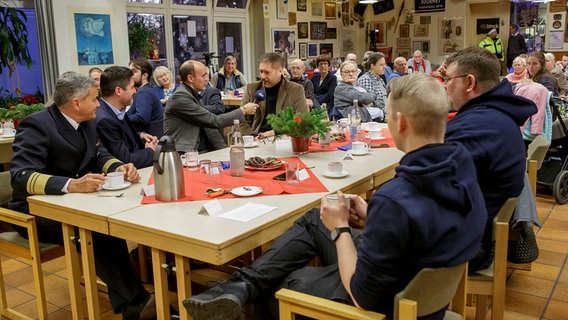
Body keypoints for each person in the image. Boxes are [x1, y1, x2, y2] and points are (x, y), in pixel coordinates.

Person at [182, 73, 486, 320]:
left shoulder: (397, 198)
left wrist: (342, 229)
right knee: (317, 217)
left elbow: (362, 295)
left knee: (280, 284)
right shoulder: (463, 167)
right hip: (418, 286)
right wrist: (372, 220)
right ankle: (240, 286)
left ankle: (247, 288)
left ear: (402, 122)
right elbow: (424, 227)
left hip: (385, 303)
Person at [8, 72, 156, 320]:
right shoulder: (37, 124)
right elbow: (20, 176)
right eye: (95, 99)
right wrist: (71, 185)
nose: (99, 104)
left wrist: (118, 166)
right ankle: (140, 303)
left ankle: (135, 307)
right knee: (92, 231)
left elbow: (99, 155)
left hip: (76, 204)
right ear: (76, 103)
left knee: (108, 229)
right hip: (34, 210)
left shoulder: (88, 122)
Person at [444, 47, 537, 271]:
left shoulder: (474, 127)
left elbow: (437, 190)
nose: (444, 86)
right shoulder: (497, 114)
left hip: (469, 243)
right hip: (481, 229)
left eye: (447, 79)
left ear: (469, 82)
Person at [163, 60, 257, 153]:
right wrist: (243, 110)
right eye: (204, 75)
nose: (207, 79)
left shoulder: (192, 94)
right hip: (186, 154)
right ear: (191, 78)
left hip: (200, 151)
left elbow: (209, 126)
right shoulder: (180, 98)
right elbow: (213, 120)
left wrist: (223, 151)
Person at [96, 66, 158, 168]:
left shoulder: (117, 109)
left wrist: (140, 135)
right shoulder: (104, 120)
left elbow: (121, 134)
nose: (135, 91)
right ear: (118, 91)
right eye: (132, 87)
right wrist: (150, 151)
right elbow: (125, 160)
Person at [240, 52, 308, 138]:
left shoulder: (296, 90)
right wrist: (252, 137)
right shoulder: (252, 88)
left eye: (267, 72)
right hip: (256, 138)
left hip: (283, 139)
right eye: (261, 71)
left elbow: (302, 121)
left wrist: (274, 133)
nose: (262, 76)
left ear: (280, 71)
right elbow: (241, 120)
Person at [127, 58, 164, 137]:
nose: (130, 75)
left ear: (145, 75)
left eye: (134, 72)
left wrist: (120, 119)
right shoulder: (146, 91)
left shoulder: (144, 93)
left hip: (150, 141)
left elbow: (142, 117)